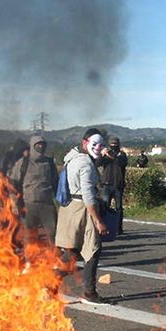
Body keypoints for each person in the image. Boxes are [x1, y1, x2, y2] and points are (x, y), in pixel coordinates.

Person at [55, 129, 108, 303]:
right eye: (95, 144)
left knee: (73, 251)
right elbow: (88, 194)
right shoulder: (85, 163)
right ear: (85, 142)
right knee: (93, 250)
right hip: (82, 209)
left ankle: (49, 282)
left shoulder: (73, 157)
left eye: (101, 145)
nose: (98, 148)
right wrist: (98, 221)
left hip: (71, 208)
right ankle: (89, 293)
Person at [8, 135, 58, 246]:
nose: (40, 146)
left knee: (53, 234)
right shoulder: (23, 163)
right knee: (30, 236)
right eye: (38, 144)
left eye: (42, 144)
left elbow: (56, 183)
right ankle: (30, 261)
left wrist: (61, 203)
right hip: (29, 205)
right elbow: (12, 183)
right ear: (32, 146)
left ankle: (56, 260)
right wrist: (14, 202)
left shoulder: (49, 163)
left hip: (47, 205)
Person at [99, 137, 129, 233]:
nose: (113, 147)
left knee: (119, 208)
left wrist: (109, 155)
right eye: (112, 144)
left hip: (118, 185)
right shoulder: (105, 155)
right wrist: (101, 155)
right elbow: (97, 163)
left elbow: (121, 163)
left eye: (115, 144)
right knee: (105, 207)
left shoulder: (122, 155)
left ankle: (118, 228)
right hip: (106, 184)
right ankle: (106, 227)